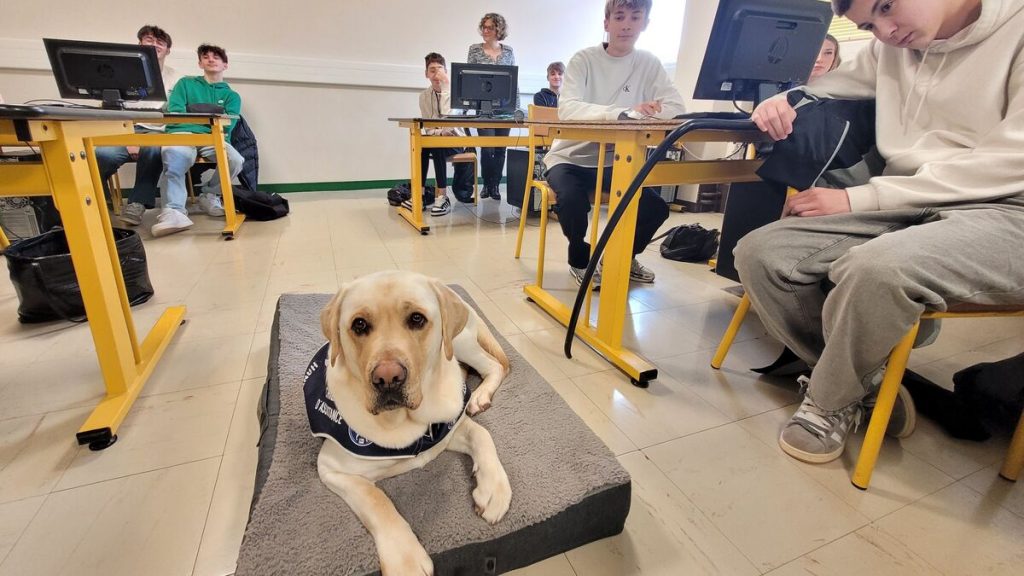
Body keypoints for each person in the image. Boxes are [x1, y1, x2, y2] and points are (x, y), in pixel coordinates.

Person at [737, 0, 1024, 464]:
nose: (886, 31)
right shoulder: (889, 47)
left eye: (888, 7)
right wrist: (784, 97)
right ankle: (863, 385)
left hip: (1007, 204)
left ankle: (830, 401)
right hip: (910, 195)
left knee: (874, 269)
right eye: (869, 24)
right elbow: (825, 85)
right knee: (760, 253)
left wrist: (861, 197)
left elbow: (1015, 160)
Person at [543, 0, 686, 288]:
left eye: (635, 17)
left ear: (645, 23)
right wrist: (624, 113)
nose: (627, 24)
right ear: (607, 23)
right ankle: (579, 260)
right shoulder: (584, 59)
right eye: (619, 16)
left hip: (615, 160)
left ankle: (621, 257)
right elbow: (569, 109)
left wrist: (647, 112)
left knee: (655, 207)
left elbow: (676, 106)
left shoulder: (649, 63)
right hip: (568, 159)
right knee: (572, 201)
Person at [94, 25, 180, 227]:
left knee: (152, 150)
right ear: (139, 45)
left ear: (167, 50)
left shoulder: (178, 79)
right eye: (149, 40)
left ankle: (137, 203)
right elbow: (112, 110)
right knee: (103, 154)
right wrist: (129, 140)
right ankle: (98, 199)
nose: (155, 44)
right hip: (124, 131)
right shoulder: (121, 75)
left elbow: (177, 112)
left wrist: (142, 141)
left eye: (160, 42)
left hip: (159, 132)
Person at [154, 44, 244, 237]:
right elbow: (176, 111)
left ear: (225, 65)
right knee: (175, 156)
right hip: (182, 133)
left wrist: (194, 113)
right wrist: (208, 117)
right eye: (206, 57)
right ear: (200, 63)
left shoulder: (231, 96)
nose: (210, 59)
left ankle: (209, 194)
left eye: (216, 57)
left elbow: (228, 125)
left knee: (236, 160)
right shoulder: (185, 84)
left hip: (213, 137)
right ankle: (174, 211)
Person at [467, 12, 519, 202]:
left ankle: (495, 185)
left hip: (505, 108)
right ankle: (486, 183)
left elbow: (513, 80)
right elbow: (469, 78)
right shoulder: (474, 50)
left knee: (500, 148)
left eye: (490, 27)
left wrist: (516, 107)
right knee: (487, 148)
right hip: (483, 108)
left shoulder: (508, 52)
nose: (486, 31)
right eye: (484, 27)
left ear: (499, 30)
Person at [414, 53, 465, 217]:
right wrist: (440, 131)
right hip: (437, 139)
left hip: (456, 142)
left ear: (446, 72)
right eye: (432, 70)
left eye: (440, 70)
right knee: (423, 145)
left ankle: (442, 196)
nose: (436, 75)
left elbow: (449, 120)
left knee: (436, 145)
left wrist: (445, 88)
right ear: (426, 74)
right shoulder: (423, 96)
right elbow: (428, 128)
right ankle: (420, 194)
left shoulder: (455, 94)